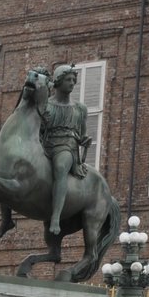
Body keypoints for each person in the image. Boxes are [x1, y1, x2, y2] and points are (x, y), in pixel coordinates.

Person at [40, 63, 90, 237]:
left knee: (61, 168)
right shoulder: (46, 105)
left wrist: (85, 140)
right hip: (45, 144)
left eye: (73, 80)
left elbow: (82, 135)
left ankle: (55, 217)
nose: (72, 83)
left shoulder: (80, 109)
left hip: (67, 146)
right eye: (68, 79)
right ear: (58, 81)